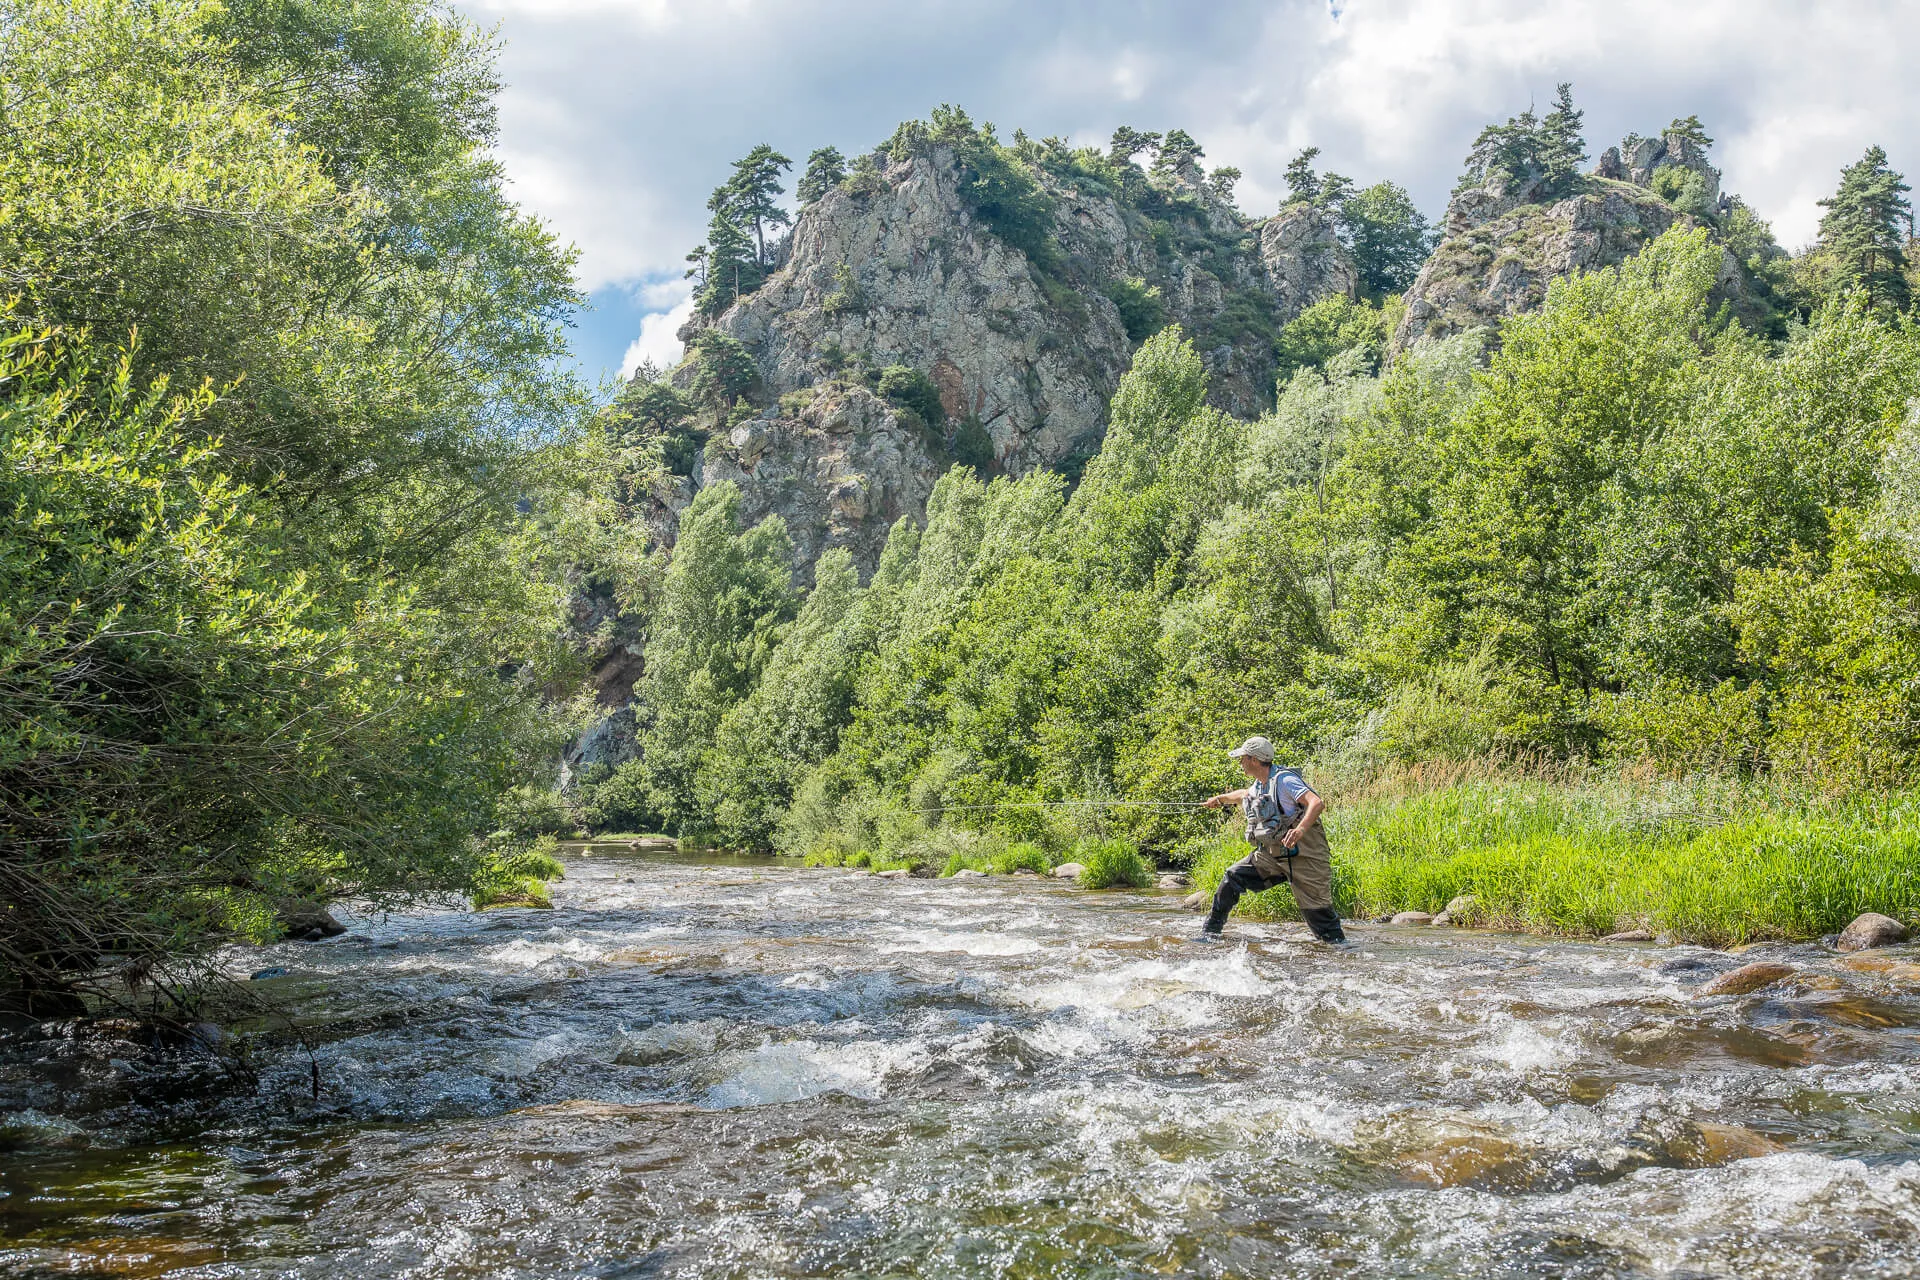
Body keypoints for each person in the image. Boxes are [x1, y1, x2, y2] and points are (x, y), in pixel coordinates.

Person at [1196, 736, 1347, 943]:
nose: (1240, 763)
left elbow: (1316, 802)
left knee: (1325, 928)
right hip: (1273, 857)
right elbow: (1242, 795)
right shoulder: (1259, 784)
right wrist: (1220, 800)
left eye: (1243, 759)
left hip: (1306, 859)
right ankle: (1209, 935)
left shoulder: (1285, 780)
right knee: (1233, 877)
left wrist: (1300, 830)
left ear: (1255, 760)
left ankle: (1346, 956)